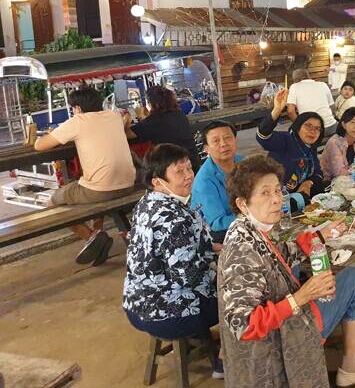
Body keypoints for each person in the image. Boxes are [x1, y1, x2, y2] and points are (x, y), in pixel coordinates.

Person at [217, 155, 355, 388]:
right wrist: (301, 297)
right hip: (279, 344)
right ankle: (351, 366)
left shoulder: (250, 228)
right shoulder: (242, 250)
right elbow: (244, 325)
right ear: (242, 203)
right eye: (265, 193)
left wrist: (320, 236)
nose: (277, 200)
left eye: (277, 191)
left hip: (284, 326)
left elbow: (280, 255)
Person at [122, 144, 222, 379]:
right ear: (158, 181)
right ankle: (225, 361)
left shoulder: (146, 204)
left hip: (136, 305)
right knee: (243, 293)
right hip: (168, 314)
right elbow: (189, 277)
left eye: (189, 168)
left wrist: (210, 248)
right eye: (179, 172)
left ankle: (202, 340)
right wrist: (223, 266)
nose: (189, 176)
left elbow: (172, 251)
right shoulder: (173, 218)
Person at [35, 86, 136, 266]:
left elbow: (40, 146)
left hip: (100, 190)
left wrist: (43, 136)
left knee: (52, 203)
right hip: (129, 184)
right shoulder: (113, 117)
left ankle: (91, 237)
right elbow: (125, 123)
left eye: (73, 108)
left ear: (77, 109)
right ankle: (97, 235)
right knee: (93, 186)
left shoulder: (78, 121)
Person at [256, 88, 325, 211]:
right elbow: (263, 137)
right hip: (274, 199)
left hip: (297, 195)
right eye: (308, 126)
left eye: (317, 128)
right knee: (305, 200)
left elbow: (318, 172)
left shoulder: (311, 147)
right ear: (298, 127)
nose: (313, 131)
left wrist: (308, 183)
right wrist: (277, 110)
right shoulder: (286, 140)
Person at [124, 85, 200, 170]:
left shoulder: (154, 121)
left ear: (152, 104)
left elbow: (127, 134)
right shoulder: (179, 114)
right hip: (193, 162)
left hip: (178, 167)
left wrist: (126, 119)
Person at [192, 121, 243, 244]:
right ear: (206, 148)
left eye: (227, 138)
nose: (223, 144)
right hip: (216, 233)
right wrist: (253, 217)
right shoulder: (204, 180)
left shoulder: (243, 163)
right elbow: (217, 223)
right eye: (216, 141)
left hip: (245, 217)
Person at [320, 108, 355, 180]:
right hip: (330, 183)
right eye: (352, 122)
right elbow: (339, 173)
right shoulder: (334, 143)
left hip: (352, 180)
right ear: (344, 125)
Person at [286, 69, 337, 137]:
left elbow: (290, 111)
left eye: (294, 79)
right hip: (332, 126)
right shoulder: (323, 84)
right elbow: (332, 107)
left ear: (300, 78)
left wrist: (300, 125)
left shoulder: (294, 86)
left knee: (290, 132)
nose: (294, 81)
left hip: (313, 130)